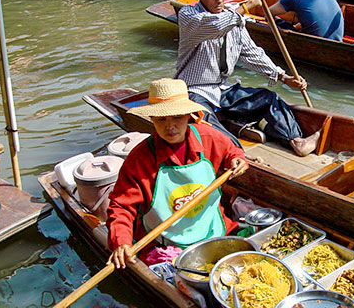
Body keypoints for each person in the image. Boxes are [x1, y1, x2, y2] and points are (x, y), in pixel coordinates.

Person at [175, 0, 321, 157]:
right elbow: (216, 25)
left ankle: (295, 140)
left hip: (221, 89)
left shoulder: (233, 17)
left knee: (268, 99)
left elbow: (251, 53)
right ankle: (239, 156)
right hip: (193, 90)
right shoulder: (189, 15)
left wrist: (283, 77)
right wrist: (248, 6)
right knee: (204, 123)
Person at [106, 78, 248, 269]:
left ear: (188, 115)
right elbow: (121, 206)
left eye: (177, 117)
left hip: (213, 230)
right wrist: (121, 241)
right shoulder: (139, 159)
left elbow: (232, 150)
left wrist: (237, 159)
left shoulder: (209, 138)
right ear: (152, 119)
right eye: (161, 119)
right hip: (167, 243)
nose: (170, 126)